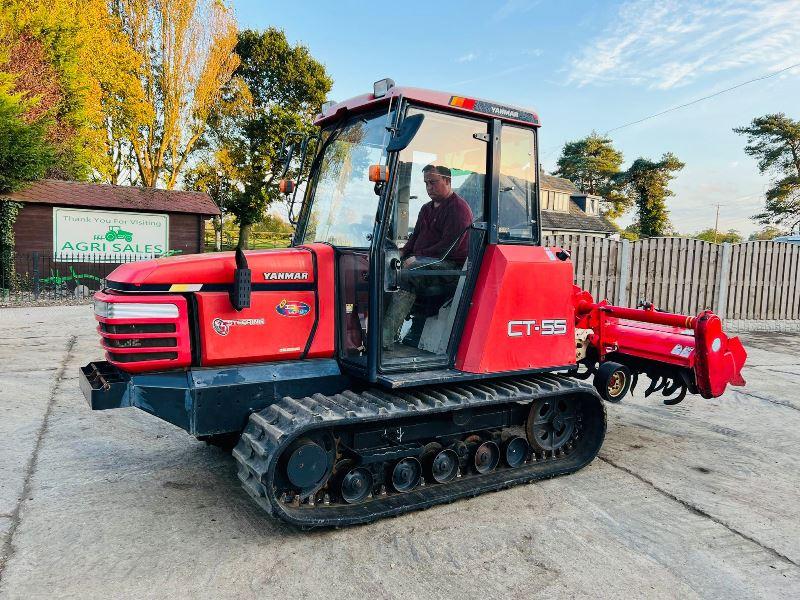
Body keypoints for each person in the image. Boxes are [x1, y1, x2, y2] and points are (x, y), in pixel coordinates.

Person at [382, 164, 473, 350]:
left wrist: (418, 258)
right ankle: (392, 331)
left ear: (447, 181)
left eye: (433, 182)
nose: (429, 187)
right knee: (384, 268)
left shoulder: (458, 209)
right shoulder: (426, 209)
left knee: (408, 276)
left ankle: (384, 340)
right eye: (426, 183)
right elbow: (414, 239)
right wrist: (400, 253)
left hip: (450, 267)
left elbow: (448, 247)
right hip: (427, 262)